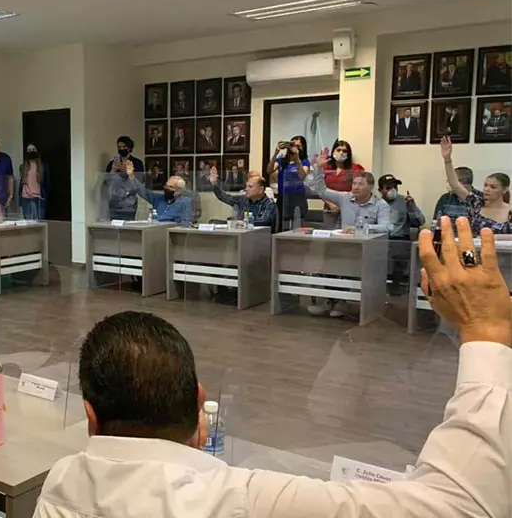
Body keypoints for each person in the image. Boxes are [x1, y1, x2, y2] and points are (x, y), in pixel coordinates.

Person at [34, 216, 512, 518]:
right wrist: (485, 330)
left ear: (91, 419)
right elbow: (460, 506)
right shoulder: (243, 500)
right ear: (200, 406)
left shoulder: (59, 484)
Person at [304, 149, 392, 317]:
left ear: (371, 187)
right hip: (343, 247)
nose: (356, 187)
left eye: (360, 184)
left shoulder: (381, 205)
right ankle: (329, 300)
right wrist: (319, 169)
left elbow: (387, 227)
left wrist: (363, 228)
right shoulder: (345, 198)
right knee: (328, 264)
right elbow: (321, 190)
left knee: (348, 268)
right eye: (354, 184)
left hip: (367, 250)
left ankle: (341, 302)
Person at [441, 136, 512, 237]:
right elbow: (455, 184)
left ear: (504, 190)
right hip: (474, 246)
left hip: (500, 247)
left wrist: (492, 237)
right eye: (486, 185)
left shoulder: (509, 212)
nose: (487, 189)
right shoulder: (476, 204)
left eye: (493, 187)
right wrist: (447, 159)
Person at [377, 174, 425, 295]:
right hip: (379, 239)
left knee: (399, 250)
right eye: (388, 187)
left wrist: (412, 207)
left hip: (400, 239)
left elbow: (420, 221)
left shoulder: (405, 201)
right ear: (380, 190)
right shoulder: (376, 203)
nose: (392, 190)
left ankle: (396, 287)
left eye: (395, 187)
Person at [125, 161, 192, 227]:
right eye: (166, 186)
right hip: (154, 229)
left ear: (179, 190)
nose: (167, 189)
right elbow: (143, 192)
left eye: (170, 187)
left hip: (170, 230)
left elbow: (185, 224)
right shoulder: (159, 199)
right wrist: (131, 176)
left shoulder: (184, 202)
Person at [266, 136, 310, 230]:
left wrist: (297, 159)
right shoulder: (282, 160)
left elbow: (302, 176)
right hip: (283, 196)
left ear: (303, 148)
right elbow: (269, 170)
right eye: (293, 145)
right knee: (280, 224)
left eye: (298, 146)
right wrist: (276, 152)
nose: (295, 148)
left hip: (297, 197)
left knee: (297, 226)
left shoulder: (304, 162)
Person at [320, 140, 365, 228]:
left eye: (344, 151)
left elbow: (359, 189)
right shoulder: (326, 168)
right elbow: (319, 188)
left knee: (347, 233)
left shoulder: (355, 168)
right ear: (333, 151)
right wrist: (329, 203)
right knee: (330, 234)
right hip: (329, 207)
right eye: (338, 150)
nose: (341, 153)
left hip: (349, 207)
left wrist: (345, 205)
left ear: (348, 154)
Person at [210, 167, 276, 227]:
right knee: (213, 222)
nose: (246, 189)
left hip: (258, 234)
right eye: (246, 186)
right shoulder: (243, 199)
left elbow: (265, 221)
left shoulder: (269, 204)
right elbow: (225, 197)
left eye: (250, 187)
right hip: (240, 232)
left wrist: (244, 223)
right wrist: (214, 184)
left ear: (260, 189)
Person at [105, 136, 143, 221]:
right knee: (114, 225)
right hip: (114, 201)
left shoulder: (137, 163)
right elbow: (107, 182)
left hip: (129, 202)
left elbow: (140, 181)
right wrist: (113, 170)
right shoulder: (113, 163)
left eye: (124, 147)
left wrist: (129, 172)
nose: (121, 149)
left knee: (128, 225)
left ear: (129, 148)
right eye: (119, 147)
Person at [19, 143, 49, 221]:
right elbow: (21, 183)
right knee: (28, 222)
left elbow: (47, 183)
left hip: (39, 198)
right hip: (26, 197)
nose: (31, 152)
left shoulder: (43, 166)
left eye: (33, 150)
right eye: (29, 150)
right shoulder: (22, 166)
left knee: (39, 221)